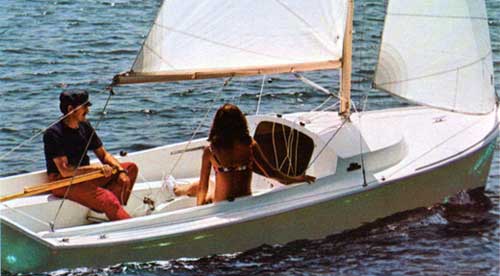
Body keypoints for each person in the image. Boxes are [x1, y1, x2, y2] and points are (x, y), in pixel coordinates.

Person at [172, 103, 315, 205]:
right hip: (245, 202)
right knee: (208, 184)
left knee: (206, 183)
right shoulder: (250, 145)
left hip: (221, 204)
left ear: (217, 125)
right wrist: (299, 178)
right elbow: (273, 174)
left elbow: (203, 188)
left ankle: (175, 190)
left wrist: (200, 209)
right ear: (241, 122)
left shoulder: (210, 151)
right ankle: (176, 190)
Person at [43, 90, 138, 221]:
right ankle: (116, 213)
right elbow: (65, 171)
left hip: (85, 177)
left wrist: (121, 171)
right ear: (71, 109)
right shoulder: (53, 133)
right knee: (108, 199)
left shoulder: (84, 125)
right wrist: (96, 169)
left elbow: (103, 155)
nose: (88, 110)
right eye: (85, 107)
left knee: (130, 169)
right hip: (63, 182)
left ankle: (109, 208)